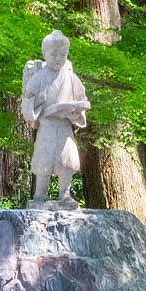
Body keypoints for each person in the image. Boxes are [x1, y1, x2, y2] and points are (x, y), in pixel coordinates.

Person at [21, 30, 90, 208]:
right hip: (47, 126)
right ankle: (40, 193)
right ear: (45, 54)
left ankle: (65, 194)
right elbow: (28, 97)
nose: (59, 58)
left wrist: (76, 110)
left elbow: (81, 99)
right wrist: (32, 94)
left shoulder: (72, 78)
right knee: (44, 159)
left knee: (68, 160)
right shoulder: (39, 77)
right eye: (54, 54)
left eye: (63, 54)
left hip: (65, 126)